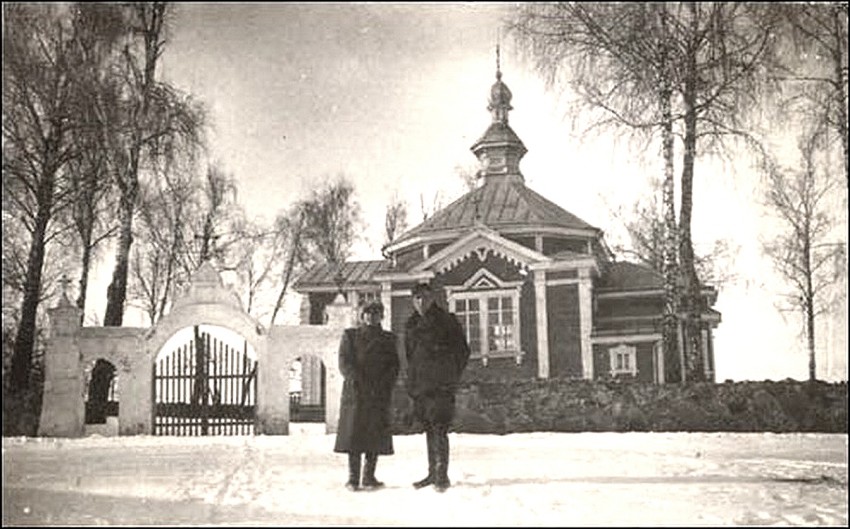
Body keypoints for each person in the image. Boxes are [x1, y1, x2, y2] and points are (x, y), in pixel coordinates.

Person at [405, 282, 471, 492]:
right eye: (417, 298)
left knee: (440, 428)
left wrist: (449, 377)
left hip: (441, 386)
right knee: (428, 430)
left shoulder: (446, 321)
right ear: (412, 300)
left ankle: (442, 476)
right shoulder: (411, 324)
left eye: (424, 297)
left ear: (432, 298)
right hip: (421, 387)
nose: (421, 302)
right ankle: (432, 472)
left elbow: (463, 351)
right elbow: (410, 356)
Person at [333, 300, 400, 491]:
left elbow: (394, 366)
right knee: (354, 436)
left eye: (376, 313)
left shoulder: (388, 339)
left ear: (382, 316)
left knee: (374, 435)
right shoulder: (351, 335)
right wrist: (357, 379)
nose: (371, 316)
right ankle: (353, 479)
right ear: (362, 316)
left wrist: (384, 384)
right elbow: (344, 362)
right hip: (356, 393)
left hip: (378, 394)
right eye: (368, 313)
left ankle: (369, 477)